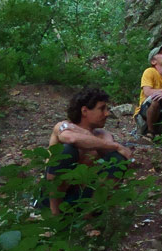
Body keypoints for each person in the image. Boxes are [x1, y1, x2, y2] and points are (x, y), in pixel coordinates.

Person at [45, 87, 132, 216]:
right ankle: (54, 216)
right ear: (85, 111)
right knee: (67, 150)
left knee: (117, 159)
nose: (107, 114)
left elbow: (123, 158)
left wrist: (114, 148)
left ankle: (89, 217)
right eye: (102, 109)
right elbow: (70, 138)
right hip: (52, 196)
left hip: (82, 198)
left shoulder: (104, 135)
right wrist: (115, 146)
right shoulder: (62, 126)